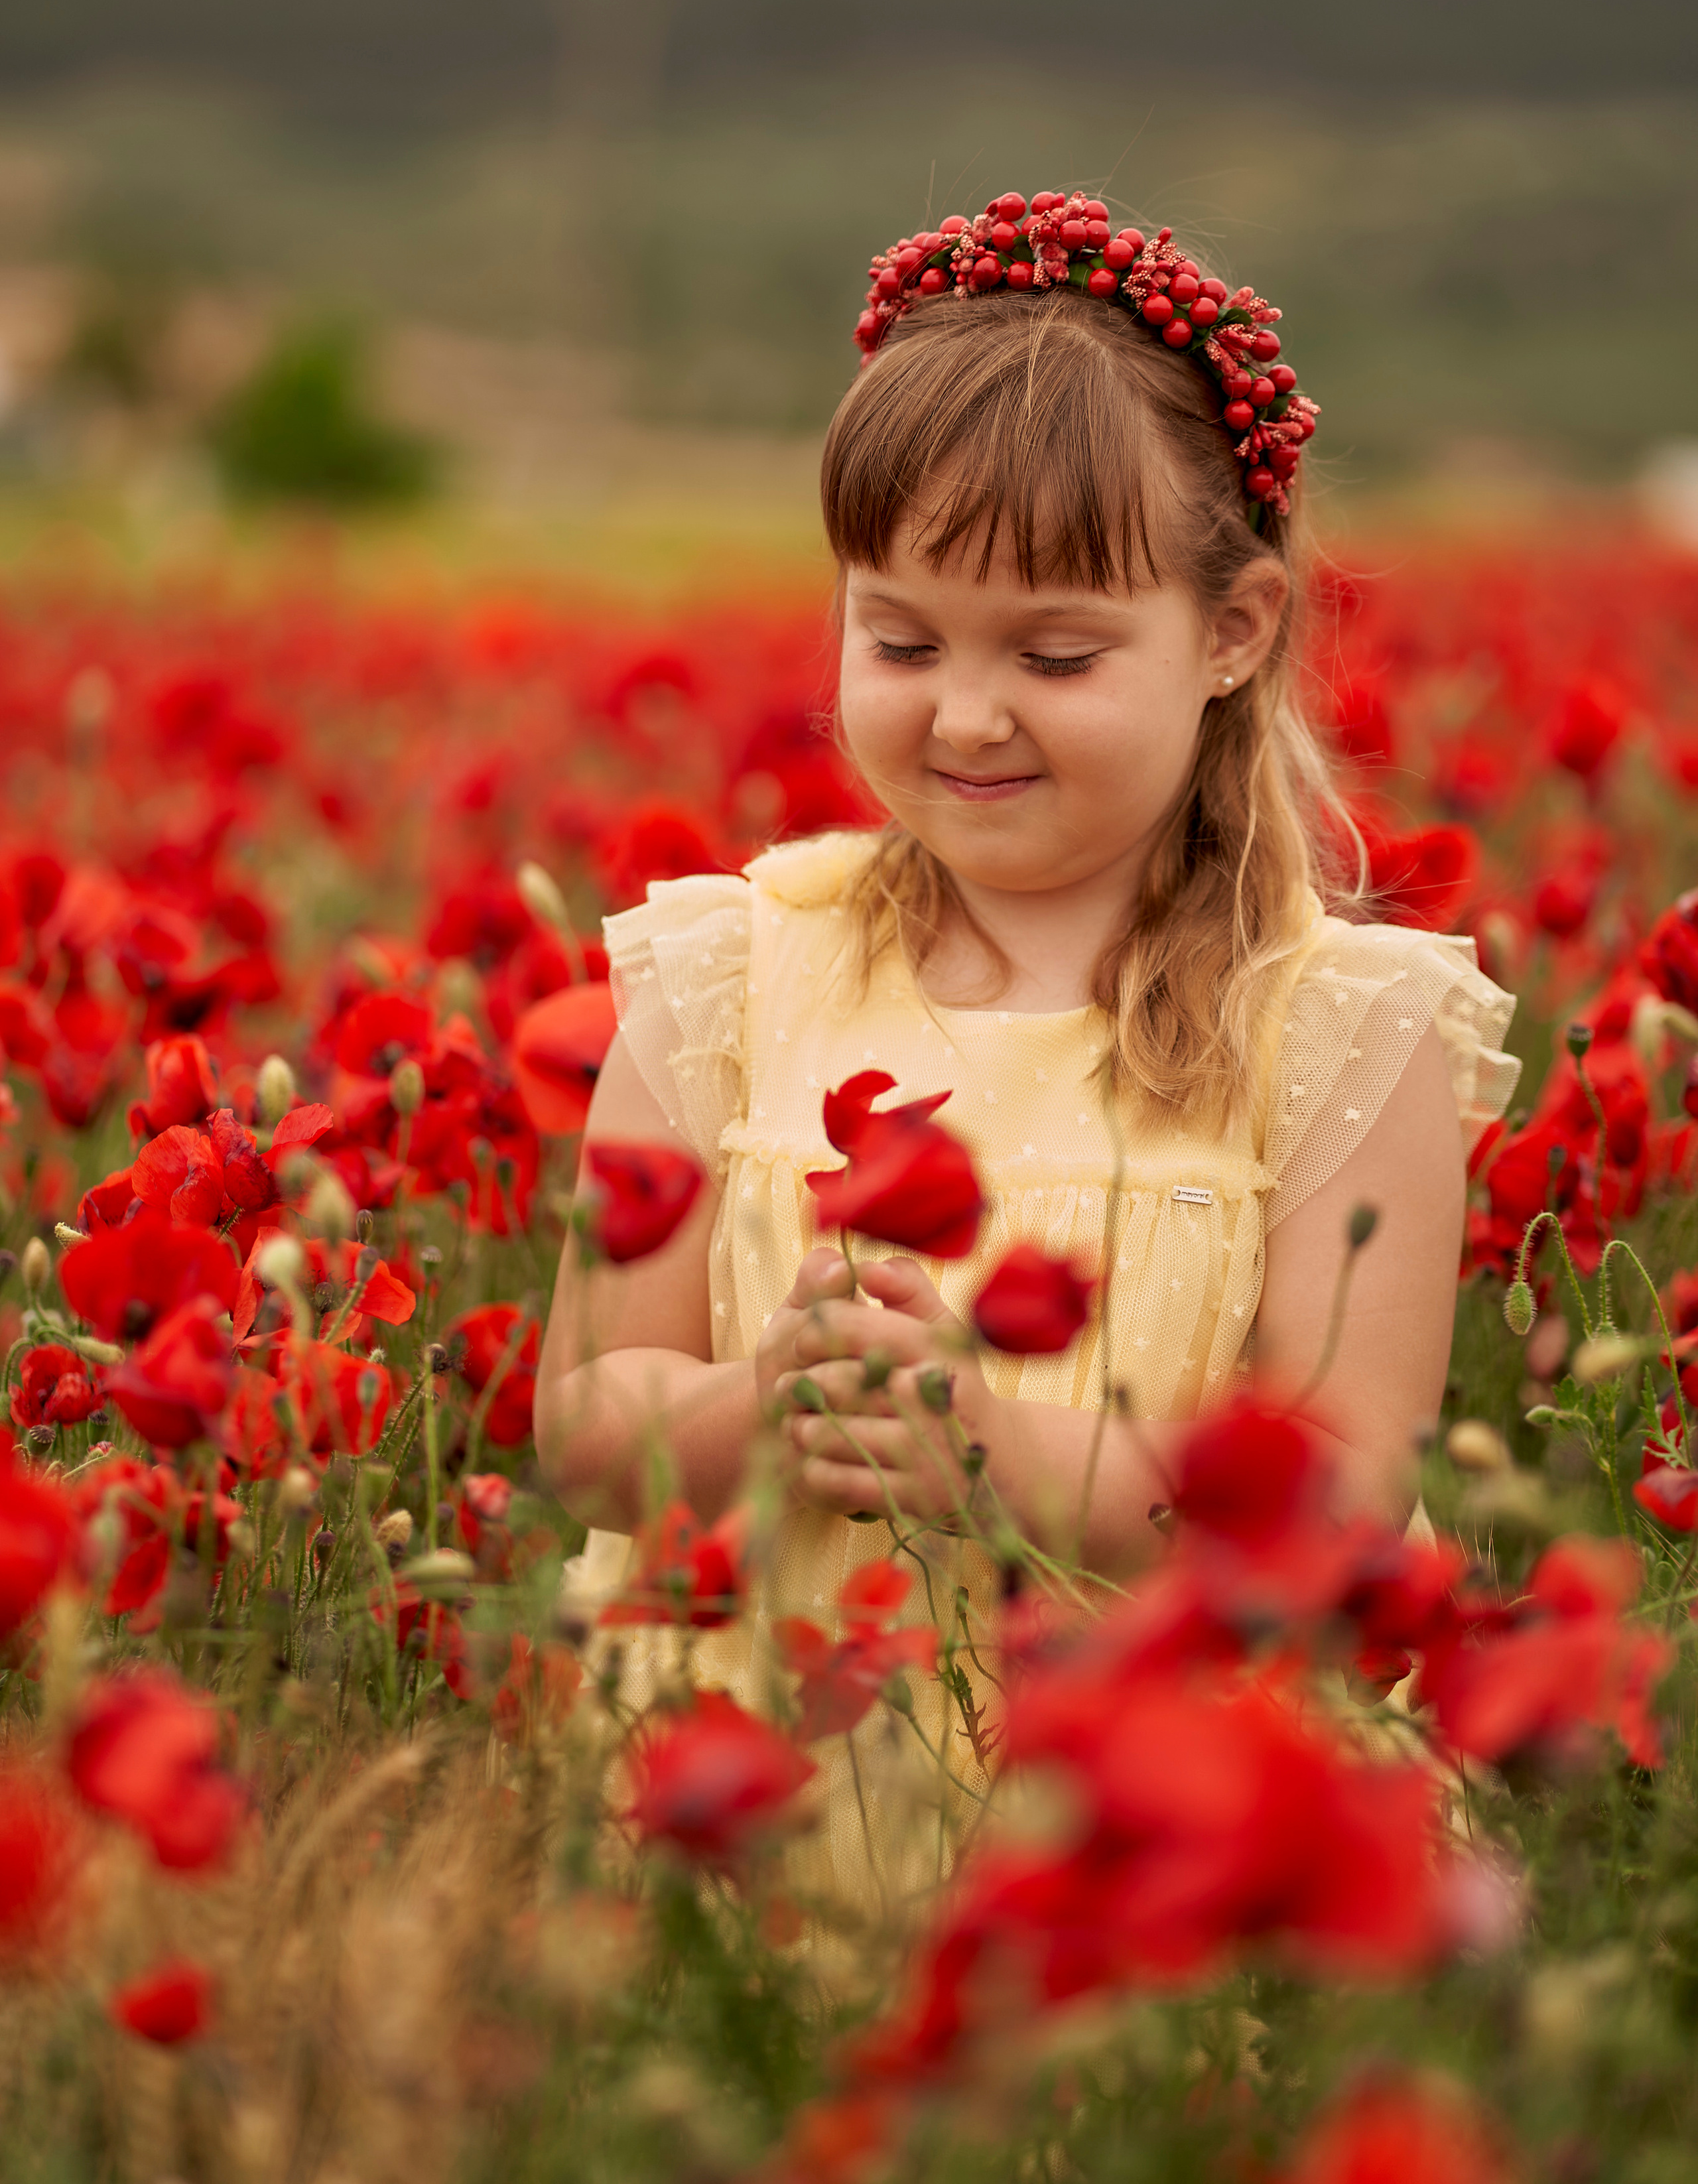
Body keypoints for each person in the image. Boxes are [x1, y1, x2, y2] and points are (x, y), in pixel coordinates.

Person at [534, 188, 1519, 1908]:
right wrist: (759, 1409)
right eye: (900, 638)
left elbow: (1339, 1517)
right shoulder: (729, 973)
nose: (965, 711)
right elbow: (588, 1416)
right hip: (767, 1800)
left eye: (1055, 654)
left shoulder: (1341, 1035)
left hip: (1171, 1833)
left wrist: (994, 1453)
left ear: (1235, 633)